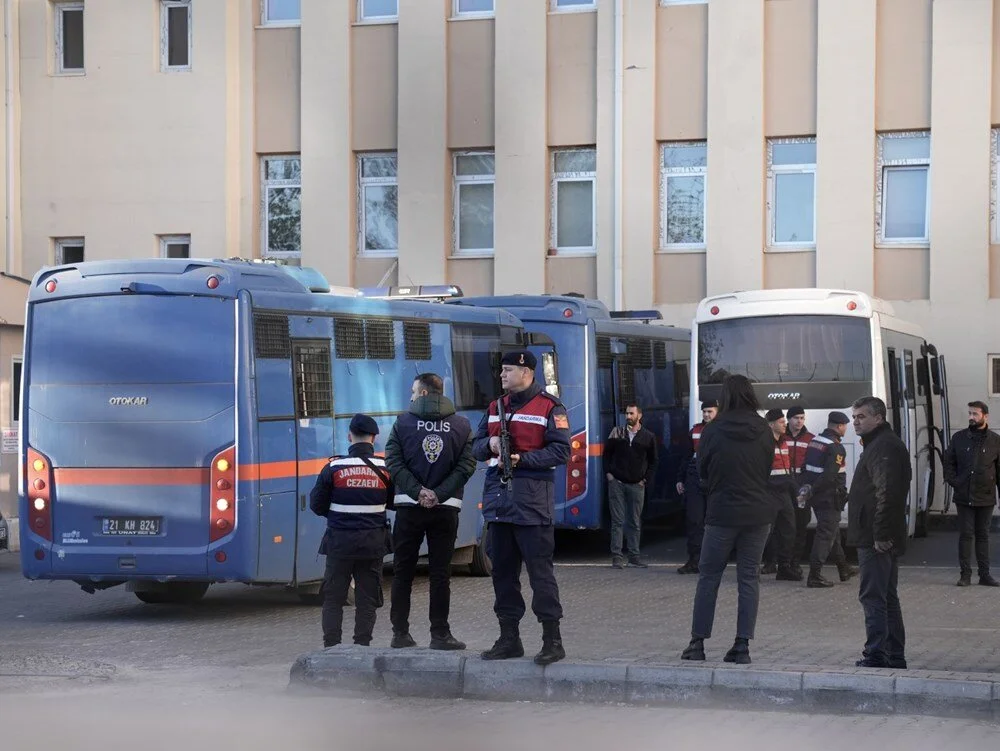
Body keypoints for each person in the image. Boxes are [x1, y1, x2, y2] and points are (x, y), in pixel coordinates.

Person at [472, 350, 571, 666]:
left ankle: (552, 641)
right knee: (502, 574)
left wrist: (523, 459)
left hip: (531, 504)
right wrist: (490, 445)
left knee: (540, 575)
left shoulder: (550, 408)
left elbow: (561, 451)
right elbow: (474, 447)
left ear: (527, 372)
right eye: (501, 369)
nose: (502, 374)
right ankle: (509, 638)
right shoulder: (494, 408)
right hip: (499, 504)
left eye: (508, 369)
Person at [680, 375, 774, 666]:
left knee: (709, 576)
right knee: (749, 578)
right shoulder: (763, 428)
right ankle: (742, 645)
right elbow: (767, 467)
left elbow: (702, 472)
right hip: (758, 514)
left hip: (722, 514)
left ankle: (697, 643)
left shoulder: (713, 429)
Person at [384, 373, 477, 650]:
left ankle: (400, 634)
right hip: (445, 509)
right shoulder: (461, 425)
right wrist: (439, 493)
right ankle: (440, 634)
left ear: (424, 394)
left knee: (403, 572)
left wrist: (417, 491)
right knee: (440, 574)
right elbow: (466, 466)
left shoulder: (402, 424)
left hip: (409, 508)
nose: (411, 396)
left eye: (413, 391)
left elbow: (393, 461)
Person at [309, 414, 392, 649]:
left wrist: (340, 517)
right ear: (374, 439)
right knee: (367, 600)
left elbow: (317, 505)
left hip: (339, 544)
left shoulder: (334, 468)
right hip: (372, 544)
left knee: (334, 599)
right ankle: (362, 646)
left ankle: (332, 647)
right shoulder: (385, 469)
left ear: (349, 436)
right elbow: (394, 501)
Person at [847, 396, 911, 669]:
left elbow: (889, 494)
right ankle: (893, 655)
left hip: (876, 536)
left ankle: (877, 654)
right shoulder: (879, 444)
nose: (855, 422)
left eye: (861, 416)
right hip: (876, 533)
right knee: (885, 596)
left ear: (879, 417)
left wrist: (881, 534)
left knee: (874, 596)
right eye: (854, 417)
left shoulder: (884, 447)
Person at [943, 401, 1000, 587]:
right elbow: (948, 462)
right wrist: (955, 481)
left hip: (986, 496)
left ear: (985, 416)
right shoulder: (959, 438)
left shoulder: (995, 440)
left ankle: (985, 575)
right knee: (966, 535)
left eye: (975, 414)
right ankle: (965, 575)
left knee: (983, 535)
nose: (971, 417)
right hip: (964, 495)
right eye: (969, 413)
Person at [799, 412, 858, 588]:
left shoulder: (815, 441)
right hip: (830, 497)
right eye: (845, 426)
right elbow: (829, 476)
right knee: (825, 535)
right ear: (839, 426)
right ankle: (815, 575)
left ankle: (843, 568)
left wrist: (808, 489)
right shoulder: (835, 447)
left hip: (817, 497)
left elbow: (806, 468)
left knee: (833, 533)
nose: (846, 429)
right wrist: (814, 489)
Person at [603, 402, 658, 569]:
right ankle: (617, 556)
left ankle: (634, 556)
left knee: (634, 521)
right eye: (626, 413)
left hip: (636, 485)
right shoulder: (617, 433)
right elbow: (606, 455)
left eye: (631, 414)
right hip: (617, 483)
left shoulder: (648, 437)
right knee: (617, 521)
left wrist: (644, 480)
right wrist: (609, 474)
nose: (628, 417)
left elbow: (654, 461)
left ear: (639, 416)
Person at [675, 400, 718, 574]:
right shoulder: (695, 431)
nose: (706, 415)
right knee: (694, 521)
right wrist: (680, 479)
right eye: (704, 412)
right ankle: (694, 560)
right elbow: (685, 456)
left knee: (715, 524)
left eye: (710, 411)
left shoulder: (722, 430)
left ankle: (713, 562)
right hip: (695, 477)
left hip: (715, 478)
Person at [761, 409, 801, 581]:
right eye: (781, 422)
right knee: (765, 532)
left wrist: (795, 489)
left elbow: (788, 469)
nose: (785, 424)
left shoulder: (783, 442)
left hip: (784, 493)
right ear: (771, 424)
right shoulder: (763, 444)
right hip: (768, 493)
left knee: (788, 530)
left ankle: (784, 567)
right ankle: (755, 566)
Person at [785, 405, 813, 572]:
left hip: (802, 487)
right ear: (789, 419)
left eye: (802, 418)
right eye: (796, 418)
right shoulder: (780, 437)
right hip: (785, 485)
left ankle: (795, 562)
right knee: (783, 526)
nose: (799, 421)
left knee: (801, 525)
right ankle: (777, 562)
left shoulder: (810, 438)